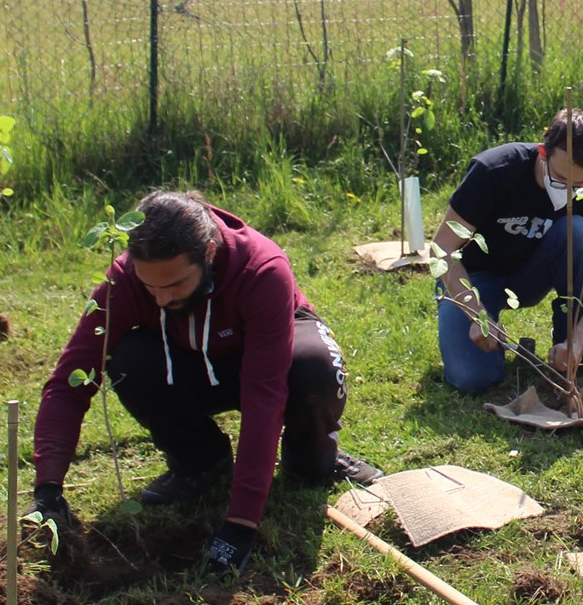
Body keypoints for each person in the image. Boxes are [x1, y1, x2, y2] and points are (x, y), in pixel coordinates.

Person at [29, 189, 371, 573]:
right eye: (149, 287)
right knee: (128, 359)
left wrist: (241, 525)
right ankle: (200, 463)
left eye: (174, 285)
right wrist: (48, 491)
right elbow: (69, 381)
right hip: (191, 363)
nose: (159, 299)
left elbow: (264, 395)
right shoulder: (124, 279)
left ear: (208, 253)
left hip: (271, 357)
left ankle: (313, 458)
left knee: (314, 367)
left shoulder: (261, 269)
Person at [433, 110, 583, 398]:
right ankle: (494, 351)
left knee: (580, 231)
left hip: (529, 277)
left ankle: (574, 351)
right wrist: (477, 315)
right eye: (561, 179)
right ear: (543, 152)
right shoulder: (494, 170)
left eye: (580, 184)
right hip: (474, 278)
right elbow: (442, 250)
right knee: (473, 378)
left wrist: (579, 341)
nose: (570, 190)